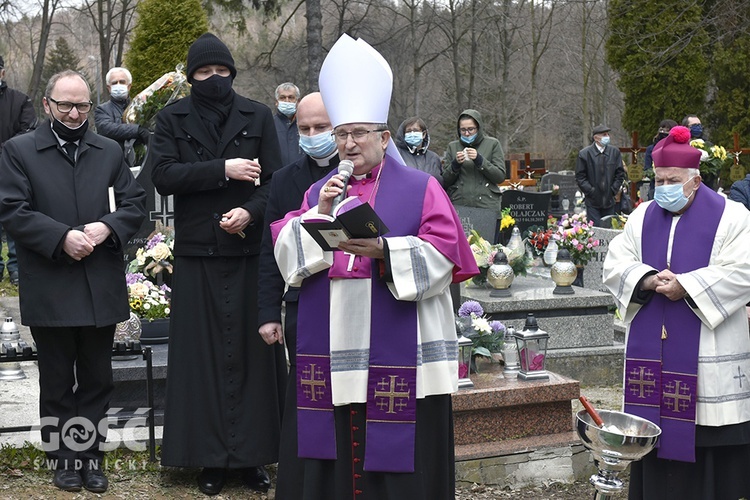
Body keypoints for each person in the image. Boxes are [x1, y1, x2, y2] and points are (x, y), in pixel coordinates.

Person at [271, 33, 479, 500]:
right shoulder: (319, 190)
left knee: (401, 449)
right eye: (341, 134)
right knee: (337, 452)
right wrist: (317, 215)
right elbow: (287, 252)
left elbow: (446, 254)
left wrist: (386, 251)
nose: (348, 143)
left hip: (401, 340)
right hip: (332, 339)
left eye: (358, 133)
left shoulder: (422, 187)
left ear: (385, 138)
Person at [148, 33, 286, 496]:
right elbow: (162, 176)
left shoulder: (259, 115)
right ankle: (208, 459)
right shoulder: (171, 118)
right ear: (191, 78)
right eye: (204, 73)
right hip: (197, 254)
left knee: (254, 358)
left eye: (221, 72)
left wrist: (250, 211)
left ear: (232, 73)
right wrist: (222, 169)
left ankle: (253, 458)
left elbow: (276, 183)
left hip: (247, 253)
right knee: (200, 361)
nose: (214, 80)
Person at [0, 69, 146, 493]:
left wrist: (107, 228)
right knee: (58, 379)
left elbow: (134, 203)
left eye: (82, 104)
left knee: (99, 377)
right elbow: (12, 209)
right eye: (64, 104)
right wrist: (60, 236)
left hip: (99, 280)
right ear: (48, 104)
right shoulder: (19, 151)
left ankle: (91, 455)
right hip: (50, 280)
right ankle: (63, 457)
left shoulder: (109, 151)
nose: (74, 112)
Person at [603, 125, 750, 499]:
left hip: (708, 355)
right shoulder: (641, 217)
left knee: (708, 448)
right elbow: (615, 263)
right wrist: (649, 279)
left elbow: (742, 270)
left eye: (672, 180)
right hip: (653, 356)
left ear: (695, 180)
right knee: (655, 438)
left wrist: (689, 285)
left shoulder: (733, 217)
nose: (663, 187)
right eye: (658, 180)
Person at [257, 91, 339, 499]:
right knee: (310, 396)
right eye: (304, 129)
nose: (312, 135)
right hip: (303, 301)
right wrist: (268, 311)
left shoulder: (362, 172)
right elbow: (270, 252)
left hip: (352, 302)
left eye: (321, 127)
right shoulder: (286, 178)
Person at [0, 55, 37, 286]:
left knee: (14, 218)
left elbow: (28, 131)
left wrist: (5, 150)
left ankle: (16, 268)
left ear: (2, 72)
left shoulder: (20, 100)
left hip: (12, 168)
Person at [441, 109, 506, 209]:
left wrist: (480, 160)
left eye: (471, 129)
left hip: (487, 205)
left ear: (478, 128)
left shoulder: (493, 144)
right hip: (459, 205)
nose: (467, 133)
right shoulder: (452, 147)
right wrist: (455, 165)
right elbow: (444, 181)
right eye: (463, 130)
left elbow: (500, 177)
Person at [94, 67, 150, 167]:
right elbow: (108, 129)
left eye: (122, 82)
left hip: (140, 164)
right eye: (114, 83)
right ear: (108, 87)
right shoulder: (102, 110)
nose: (118, 85)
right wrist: (137, 130)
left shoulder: (140, 108)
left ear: (129, 86)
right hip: (113, 164)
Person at [575, 124, 625, 227]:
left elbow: (620, 173)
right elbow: (580, 176)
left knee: (609, 231)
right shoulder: (585, 154)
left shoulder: (614, 152)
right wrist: (591, 191)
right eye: (604, 135)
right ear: (596, 138)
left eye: (608, 134)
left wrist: (613, 190)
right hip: (593, 202)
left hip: (609, 201)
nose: (607, 137)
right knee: (595, 233)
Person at [394, 116, 442, 184]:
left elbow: (440, 183)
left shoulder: (433, 158)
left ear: (424, 134)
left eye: (416, 130)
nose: (412, 134)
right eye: (408, 131)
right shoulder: (397, 155)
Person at [643, 119, 677, 200]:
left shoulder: (678, 148)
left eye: (668, 130)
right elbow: (647, 169)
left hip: (675, 188)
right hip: (656, 188)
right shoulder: (651, 149)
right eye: (662, 129)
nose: (664, 132)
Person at [273, 82, 304, 166]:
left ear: (298, 101)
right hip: (278, 175)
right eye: (282, 98)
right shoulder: (270, 124)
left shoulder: (306, 124)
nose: (287, 101)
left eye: (291, 97)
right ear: (276, 102)